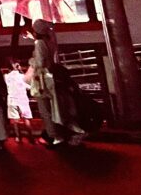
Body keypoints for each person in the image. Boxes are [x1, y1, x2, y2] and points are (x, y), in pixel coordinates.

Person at [28, 19, 86, 147]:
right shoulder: (50, 41)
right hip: (52, 78)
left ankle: (55, 136)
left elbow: (39, 62)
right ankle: (64, 133)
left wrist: (31, 61)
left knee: (46, 110)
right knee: (57, 108)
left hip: (42, 80)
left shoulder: (39, 43)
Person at [5, 60, 34, 143]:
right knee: (27, 119)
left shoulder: (6, 76)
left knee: (15, 120)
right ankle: (31, 137)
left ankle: (18, 137)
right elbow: (29, 87)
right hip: (23, 99)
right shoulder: (22, 76)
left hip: (12, 99)